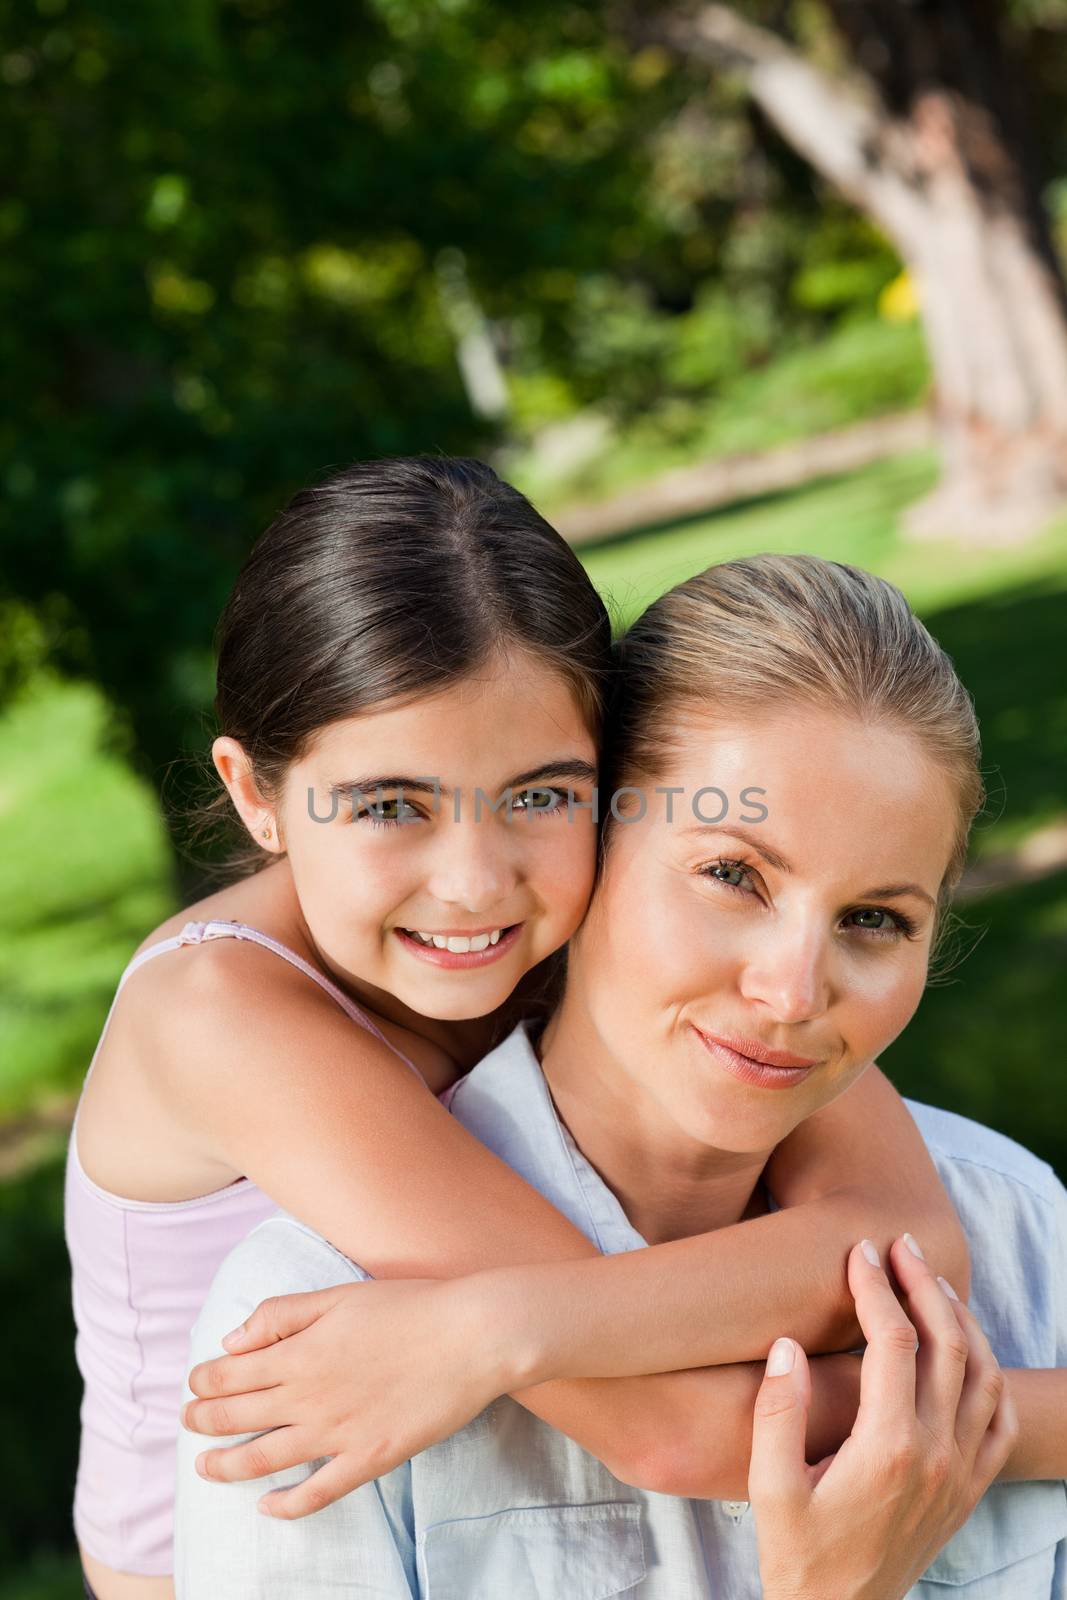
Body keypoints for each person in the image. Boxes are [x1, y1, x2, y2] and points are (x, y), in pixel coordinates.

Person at [64, 465, 971, 1600]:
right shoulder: (221, 1017)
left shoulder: (568, 928)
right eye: (393, 806)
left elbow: (907, 1237)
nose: (473, 884)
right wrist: (1029, 1421)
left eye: (542, 795)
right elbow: (669, 1429)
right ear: (255, 794)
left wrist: (485, 1329)